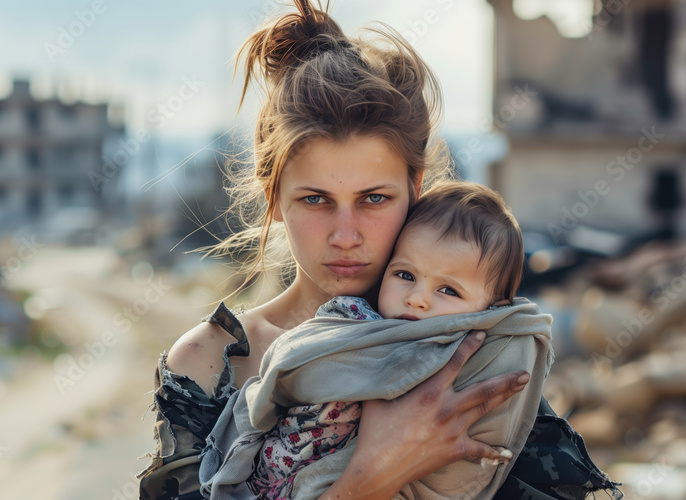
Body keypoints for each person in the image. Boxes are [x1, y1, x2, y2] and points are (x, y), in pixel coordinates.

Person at [137, 2, 619, 499]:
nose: (346, 235)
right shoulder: (209, 363)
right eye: (316, 199)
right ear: (274, 199)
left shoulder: (472, 340)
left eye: (373, 199)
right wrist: (372, 476)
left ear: (415, 187)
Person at [203, 182, 552, 499]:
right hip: (280, 475)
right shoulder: (350, 323)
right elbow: (299, 363)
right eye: (405, 274)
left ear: (490, 309)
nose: (418, 298)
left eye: (448, 290)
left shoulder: (483, 356)